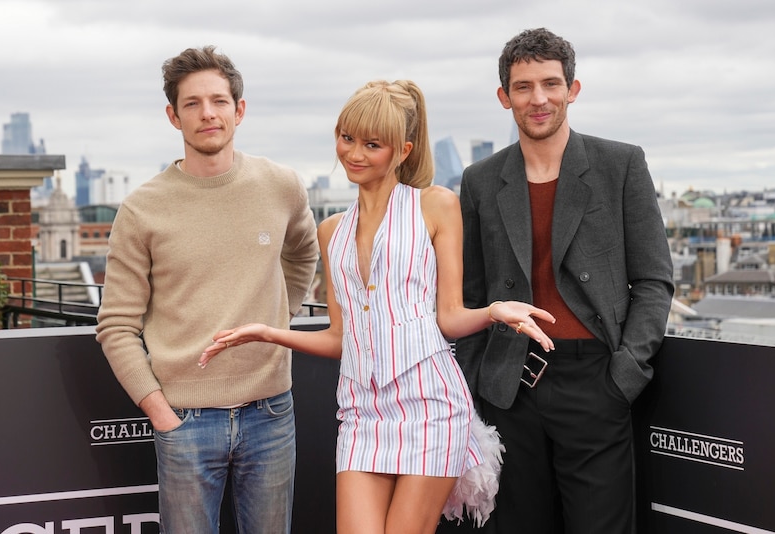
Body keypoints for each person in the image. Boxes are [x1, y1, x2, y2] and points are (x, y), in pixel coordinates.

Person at [199, 79, 556, 534]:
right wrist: (268, 332)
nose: (354, 153)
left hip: (431, 407)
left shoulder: (436, 206)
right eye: (347, 138)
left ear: (403, 150)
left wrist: (493, 311)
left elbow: (447, 317)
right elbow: (340, 338)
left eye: (372, 144)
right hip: (361, 412)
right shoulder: (331, 231)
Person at [456, 28, 674, 533]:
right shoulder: (480, 180)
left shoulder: (620, 164)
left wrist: (624, 377)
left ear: (573, 89)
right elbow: (470, 295)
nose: (539, 99)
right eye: (524, 86)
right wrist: (474, 394)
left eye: (551, 84)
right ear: (504, 96)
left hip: (596, 381)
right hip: (509, 387)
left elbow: (654, 280)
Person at [95, 45, 319, 534]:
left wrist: (278, 319)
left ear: (239, 110)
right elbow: (115, 325)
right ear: (173, 117)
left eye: (218, 100)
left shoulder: (281, 185)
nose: (207, 113)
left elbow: (303, 253)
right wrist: (161, 411)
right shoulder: (141, 210)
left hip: (271, 410)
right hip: (184, 418)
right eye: (192, 103)